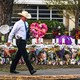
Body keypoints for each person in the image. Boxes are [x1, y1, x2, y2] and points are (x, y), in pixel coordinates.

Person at [6, 10, 36, 75]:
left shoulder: (26, 24)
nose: (26, 18)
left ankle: (12, 69)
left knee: (18, 56)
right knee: (25, 56)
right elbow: (12, 33)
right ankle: (31, 69)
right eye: (25, 17)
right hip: (19, 41)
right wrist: (9, 41)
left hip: (23, 41)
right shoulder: (18, 24)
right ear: (22, 17)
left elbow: (26, 32)